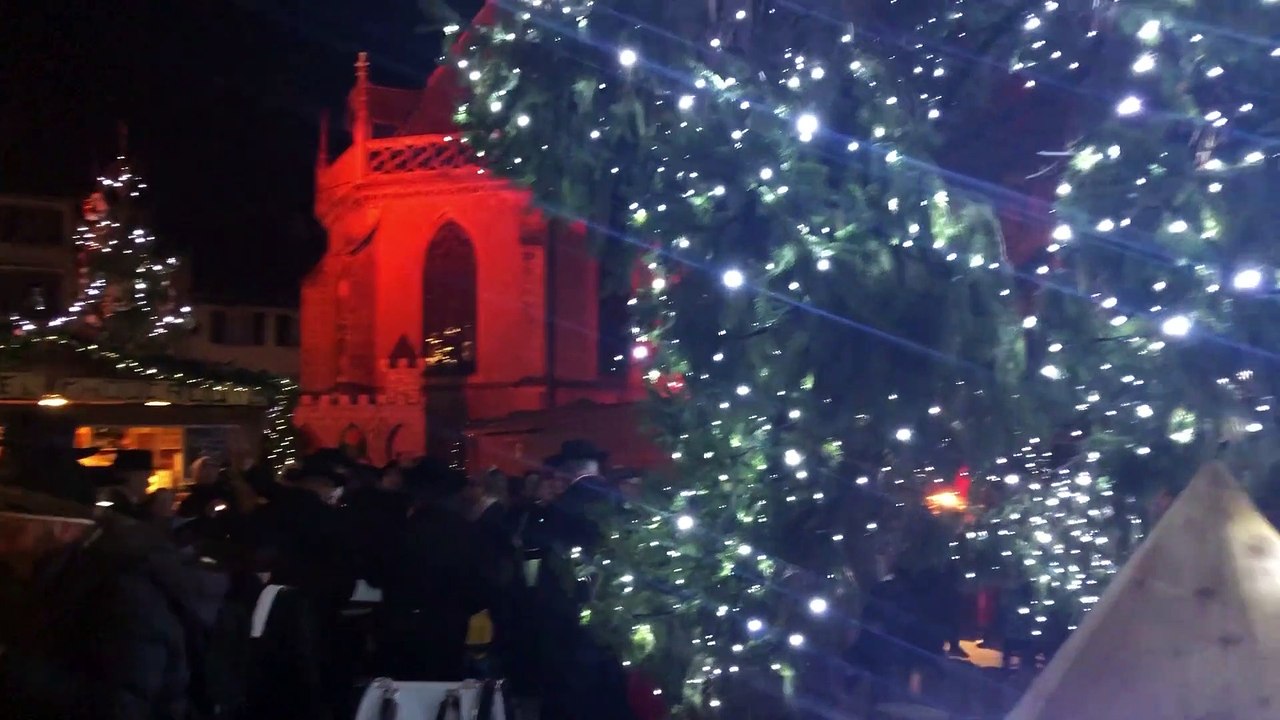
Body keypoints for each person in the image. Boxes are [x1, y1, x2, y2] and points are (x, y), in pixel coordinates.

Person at [0, 480, 227, 720]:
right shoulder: (33, 575)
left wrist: (7, 664)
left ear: (64, 528)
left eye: (10, 530)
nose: (1, 544)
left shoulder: (123, 587)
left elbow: (122, 705)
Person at [373, 457, 491, 680]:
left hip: (402, 618)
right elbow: (479, 579)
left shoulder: (400, 528)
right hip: (449, 619)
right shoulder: (464, 529)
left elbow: (378, 572)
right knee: (444, 682)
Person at [98, 450, 155, 519]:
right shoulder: (111, 497)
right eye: (145, 477)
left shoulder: (130, 499)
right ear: (128, 475)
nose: (147, 484)